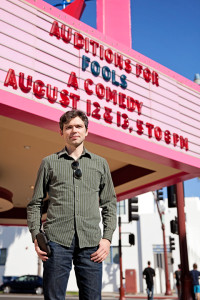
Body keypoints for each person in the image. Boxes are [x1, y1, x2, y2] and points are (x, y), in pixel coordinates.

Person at [27, 109, 117, 300]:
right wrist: (36, 235)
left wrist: (107, 239)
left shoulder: (100, 164)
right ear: (61, 132)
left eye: (78, 126)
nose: (73, 130)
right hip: (56, 242)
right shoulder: (49, 163)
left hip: (92, 243)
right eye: (68, 127)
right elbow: (35, 203)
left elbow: (109, 203)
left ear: (86, 131)